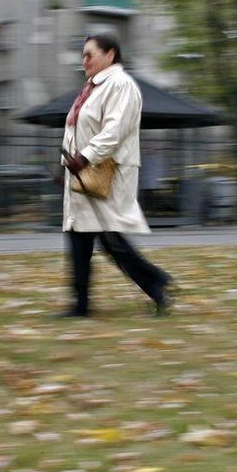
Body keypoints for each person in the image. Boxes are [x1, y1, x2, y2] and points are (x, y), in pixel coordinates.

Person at [60, 34, 173, 318]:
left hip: (105, 172)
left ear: (110, 55)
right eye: (82, 55)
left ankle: (156, 281)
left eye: (89, 55)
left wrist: (84, 157)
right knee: (79, 234)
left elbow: (114, 131)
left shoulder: (120, 85)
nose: (83, 60)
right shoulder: (93, 87)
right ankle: (80, 305)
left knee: (109, 238)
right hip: (84, 172)